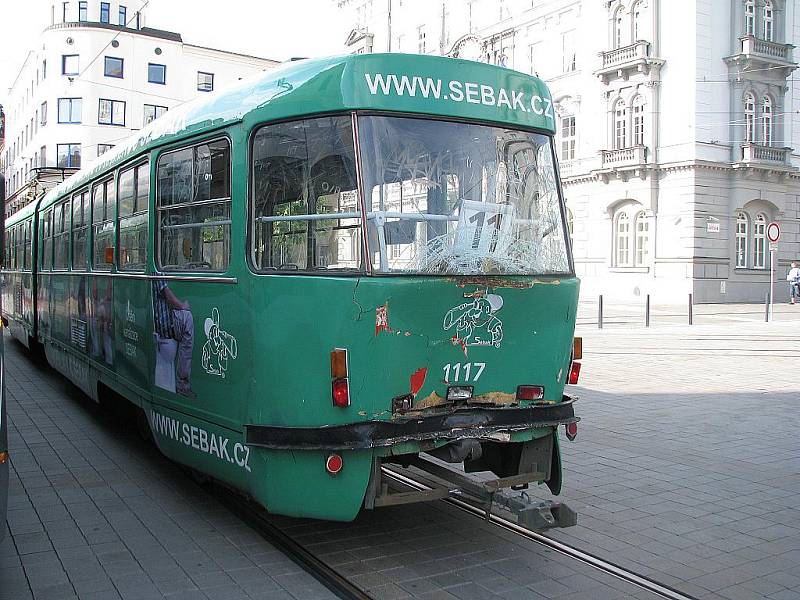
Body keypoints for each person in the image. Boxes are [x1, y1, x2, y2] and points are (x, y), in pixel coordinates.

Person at [152, 280, 196, 397]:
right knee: (187, 318)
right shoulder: (158, 274)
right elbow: (167, 295)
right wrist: (182, 306)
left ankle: (181, 383)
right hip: (164, 324)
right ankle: (182, 384)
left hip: (159, 323)